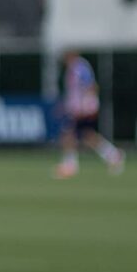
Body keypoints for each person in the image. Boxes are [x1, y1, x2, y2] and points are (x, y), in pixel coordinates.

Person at [54, 48, 124, 178]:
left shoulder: (80, 68)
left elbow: (91, 86)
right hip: (78, 108)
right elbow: (74, 92)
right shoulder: (73, 69)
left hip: (84, 109)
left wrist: (85, 105)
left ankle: (70, 166)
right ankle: (113, 155)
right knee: (86, 136)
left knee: (69, 134)